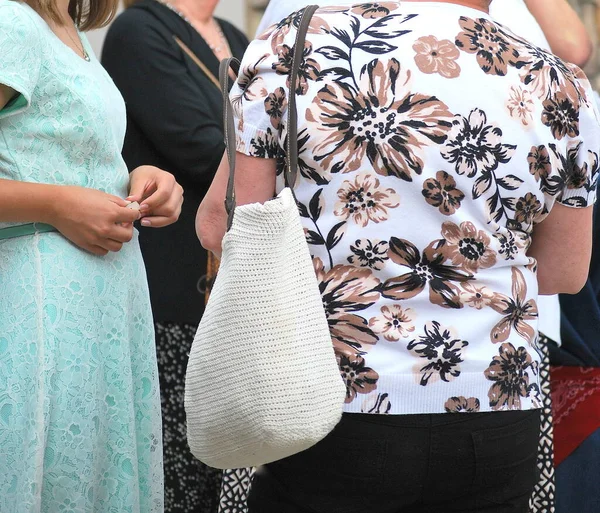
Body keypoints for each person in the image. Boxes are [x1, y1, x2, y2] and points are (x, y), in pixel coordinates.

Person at [198, 0, 600, 512]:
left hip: (332, 395)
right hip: (495, 401)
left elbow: (221, 224)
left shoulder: (295, 43)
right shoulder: (557, 80)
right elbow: (566, 272)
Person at [0, 0, 183, 511]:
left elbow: (56, 152)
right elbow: (55, 186)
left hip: (99, 307)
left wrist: (143, 180)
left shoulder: (67, 30)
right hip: (42, 309)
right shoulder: (11, 22)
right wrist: (57, 205)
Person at [101, 1, 248, 511]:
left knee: (236, 463)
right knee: (184, 470)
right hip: (179, 287)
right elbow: (202, 147)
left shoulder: (231, 32)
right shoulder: (138, 30)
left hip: (237, 284)